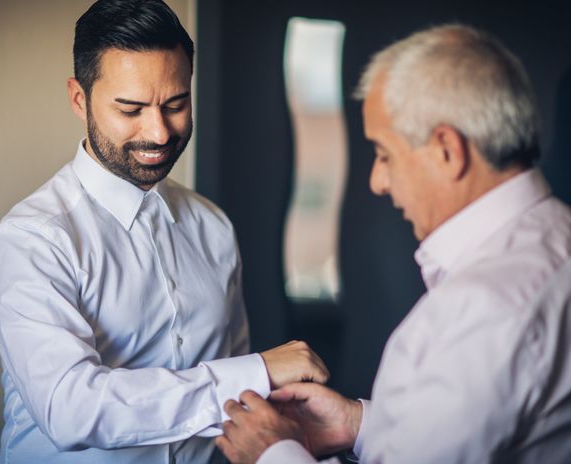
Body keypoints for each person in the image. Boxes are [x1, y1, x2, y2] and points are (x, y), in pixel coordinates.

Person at [0, 0, 329, 464]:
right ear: (79, 99)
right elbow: (71, 408)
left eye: (176, 104)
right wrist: (256, 372)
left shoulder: (214, 227)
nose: (160, 132)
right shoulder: (34, 238)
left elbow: (233, 410)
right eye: (131, 110)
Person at [216, 24, 571, 463]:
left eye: (384, 154)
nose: (377, 182)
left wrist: (274, 454)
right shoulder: (558, 238)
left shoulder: (479, 310)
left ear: (446, 150)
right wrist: (359, 424)